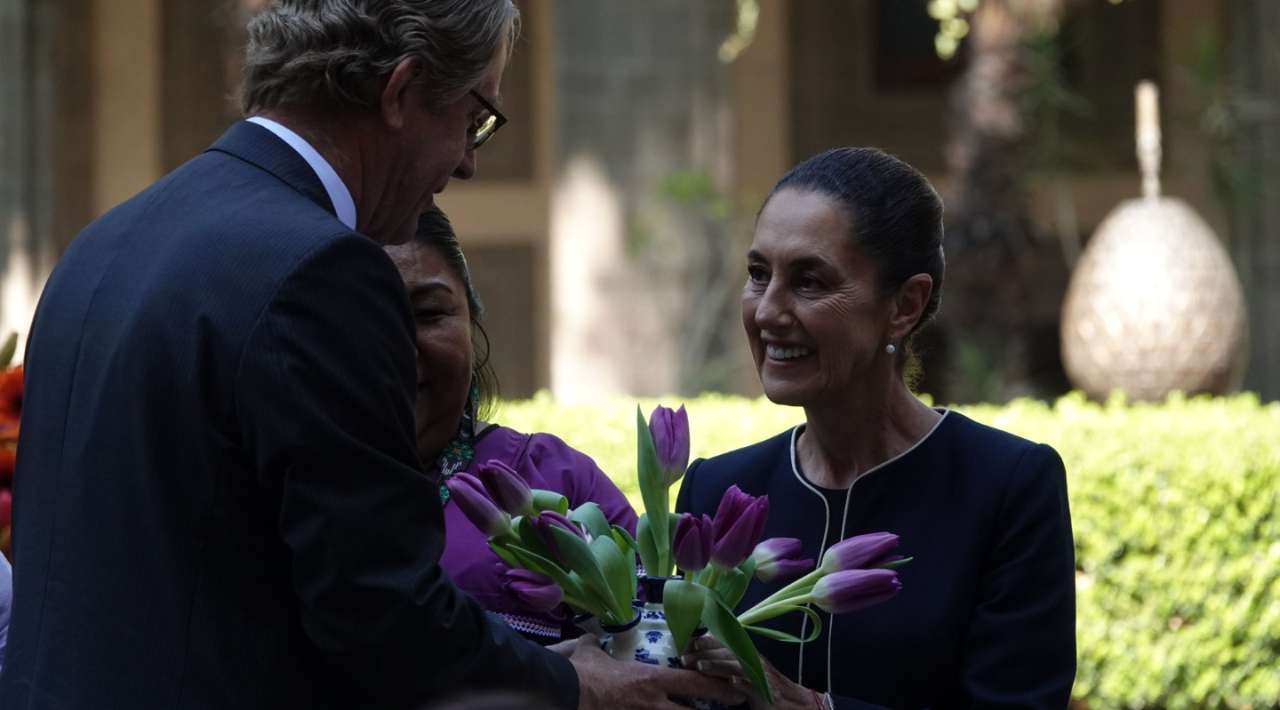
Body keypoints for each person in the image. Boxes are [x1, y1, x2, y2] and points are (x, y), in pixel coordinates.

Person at [0, 3, 742, 709]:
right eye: (475, 118)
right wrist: (570, 684)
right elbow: (377, 608)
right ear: (404, 89)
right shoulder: (321, 268)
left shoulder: (106, 242)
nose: (467, 163)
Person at [677, 148, 1076, 709]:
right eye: (758, 274)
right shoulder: (718, 491)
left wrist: (809, 706)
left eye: (809, 281)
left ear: (904, 305)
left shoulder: (1007, 488)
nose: (767, 311)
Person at [386, 209, 637, 642]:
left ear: (472, 323)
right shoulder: (277, 488)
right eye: (368, 316)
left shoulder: (556, 480)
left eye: (427, 314)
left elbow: (651, 661)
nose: (401, 349)